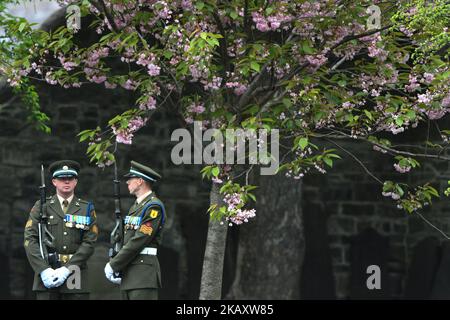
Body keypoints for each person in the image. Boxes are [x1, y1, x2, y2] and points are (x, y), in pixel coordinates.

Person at [24, 160, 98, 300]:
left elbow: (89, 243)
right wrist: (43, 270)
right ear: (54, 182)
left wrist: (67, 269)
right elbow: (30, 239)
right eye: (62, 178)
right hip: (47, 272)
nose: (66, 182)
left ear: (75, 181)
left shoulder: (86, 208)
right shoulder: (41, 206)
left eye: (70, 178)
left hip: (75, 273)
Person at [104, 160, 165, 300]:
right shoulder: (137, 206)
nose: (127, 183)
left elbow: (140, 239)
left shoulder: (153, 207)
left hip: (143, 274)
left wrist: (114, 264)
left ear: (139, 181)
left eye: (130, 179)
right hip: (130, 273)